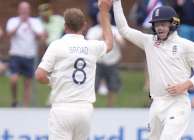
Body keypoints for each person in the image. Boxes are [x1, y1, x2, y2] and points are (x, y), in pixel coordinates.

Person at [111, 0, 194, 139]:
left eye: (163, 24)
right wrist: (116, 2)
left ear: (173, 23)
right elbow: (124, 30)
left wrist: (185, 85)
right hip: (156, 104)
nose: (159, 28)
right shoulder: (149, 42)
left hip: (178, 103)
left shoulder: (186, 45)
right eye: (156, 24)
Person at [35, 1, 113, 139]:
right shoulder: (92, 47)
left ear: (65, 27)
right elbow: (109, 44)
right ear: (84, 26)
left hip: (62, 108)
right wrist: (104, 12)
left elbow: (40, 75)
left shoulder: (57, 45)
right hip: (85, 109)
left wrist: (52, 82)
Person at [6, 1, 44, 107]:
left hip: (29, 56)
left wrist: (30, 25)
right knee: (14, 79)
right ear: (19, 10)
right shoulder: (13, 21)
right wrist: (19, 23)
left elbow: (40, 36)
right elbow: (9, 34)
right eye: (22, 9)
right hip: (16, 55)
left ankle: (25, 107)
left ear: (29, 10)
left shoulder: (35, 22)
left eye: (26, 9)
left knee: (27, 84)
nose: (24, 11)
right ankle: (14, 100)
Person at [86, 12, 125, 107]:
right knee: (93, 85)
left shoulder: (115, 30)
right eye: (102, 17)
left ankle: (110, 106)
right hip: (97, 62)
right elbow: (88, 45)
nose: (103, 19)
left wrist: (114, 38)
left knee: (113, 85)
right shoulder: (93, 30)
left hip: (112, 61)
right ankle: (91, 106)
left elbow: (123, 45)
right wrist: (101, 36)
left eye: (105, 17)